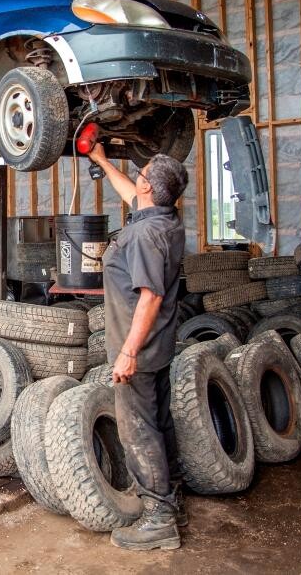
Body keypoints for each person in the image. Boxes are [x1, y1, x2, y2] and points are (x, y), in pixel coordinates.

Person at [85, 142, 188, 551]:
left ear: (149, 187)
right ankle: (173, 498)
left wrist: (127, 352)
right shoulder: (164, 218)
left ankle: (159, 519)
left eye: (141, 173)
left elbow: (150, 296)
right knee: (160, 422)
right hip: (160, 343)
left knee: (137, 431)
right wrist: (101, 160)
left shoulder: (145, 235)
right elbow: (133, 195)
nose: (138, 177)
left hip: (139, 347)